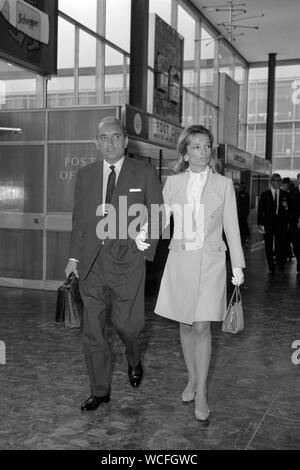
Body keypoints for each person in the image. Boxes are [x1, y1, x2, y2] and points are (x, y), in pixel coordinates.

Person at [65, 116, 163, 411]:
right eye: (104, 138)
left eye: (116, 137)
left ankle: (133, 357)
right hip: (92, 265)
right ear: (97, 142)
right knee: (92, 330)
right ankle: (100, 390)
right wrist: (73, 258)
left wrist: (146, 248)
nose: (110, 143)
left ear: (126, 141)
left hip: (128, 263)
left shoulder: (144, 172)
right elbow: (79, 220)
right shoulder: (85, 175)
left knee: (128, 327)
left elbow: (158, 213)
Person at [154, 124, 245, 422]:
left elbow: (232, 227)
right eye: (196, 146)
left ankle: (202, 391)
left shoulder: (223, 184)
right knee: (185, 326)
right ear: (184, 152)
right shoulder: (173, 183)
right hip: (181, 261)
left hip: (211, 263)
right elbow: (160, 217)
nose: (203, 151)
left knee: (203, 327)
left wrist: (238, 265)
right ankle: (192, 378)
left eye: (207, 146)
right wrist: (142, 234)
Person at [257, 173, 291, 274]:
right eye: (277, 180)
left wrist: (286, 207)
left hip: (281, 224)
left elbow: (290, 210)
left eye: (280, 181)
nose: (279, 183)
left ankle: (280, 263)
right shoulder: (264, 195)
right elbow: (260, 211)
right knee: (268, 245)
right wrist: (260, 224)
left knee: (280, 244)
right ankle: (271, 266)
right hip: (268, 224)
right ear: (271, 182)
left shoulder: (285, 195)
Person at [233, 181, 250, 246]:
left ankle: (242, 240)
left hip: (242, 215)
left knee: (242, 228)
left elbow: (246, 205)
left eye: (237, 188)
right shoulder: (230, 195)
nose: (236, 189)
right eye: (235, 188)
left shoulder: (244, 195)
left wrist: (247, 213)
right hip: (233, 216)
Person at [290, 173, 300, 273]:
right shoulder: (292, 192)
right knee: (296, 244)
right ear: (298, 179)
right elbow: (290, 209)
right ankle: (299, 261)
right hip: (295, 223)